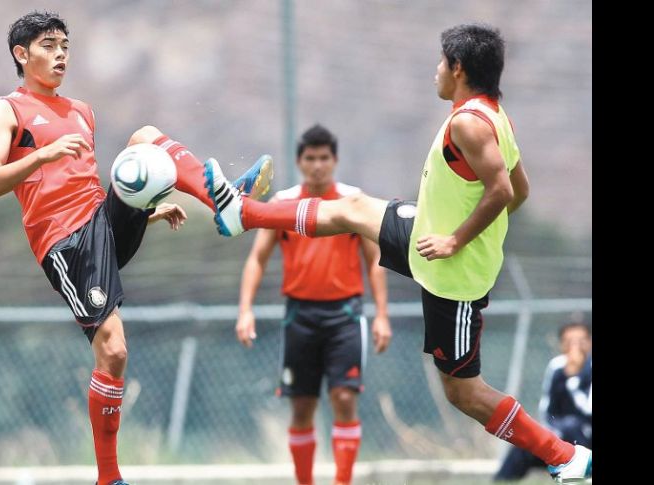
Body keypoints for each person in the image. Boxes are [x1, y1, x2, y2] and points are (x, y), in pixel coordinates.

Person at [200, 23, 591, 483]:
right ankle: (243, 214)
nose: (436, 71)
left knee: (463, 393)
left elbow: (503, 190)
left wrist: (458, 240)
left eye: (442, 62)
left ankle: (564, 455)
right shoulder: (493, 114)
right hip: (429, 236)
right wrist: (469, 228)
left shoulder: (469, 123)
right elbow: (519, 190)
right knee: (351, 207)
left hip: (451, 273)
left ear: (459, 68)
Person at [0, 12, 272, 485]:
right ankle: (109, 478)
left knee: (145, 138)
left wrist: (145, 212)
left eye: (65, 46)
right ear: (21, 53)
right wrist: (42, 154)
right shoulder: (6, 110)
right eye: (48, 45)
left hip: (99, 225)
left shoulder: (82, 111)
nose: (60, 55)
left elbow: (87, 189)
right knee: (113, 352)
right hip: (66, 243)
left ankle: (222, 201)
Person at [235, 124, 391, 485]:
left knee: (344, 398)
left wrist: (382, 314)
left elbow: (375, 260)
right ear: (299, 162)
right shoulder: (283, 204)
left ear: (334, 160)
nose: (318, 165)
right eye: (311, 158)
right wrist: (245, 309)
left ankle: (342, 482)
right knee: (302, 405)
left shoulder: (353, 202)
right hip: (299, 316)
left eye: (324, 158)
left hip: (345, 315)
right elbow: (257, 258)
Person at [494, 322, 592, 481]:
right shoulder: (556, 366)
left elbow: (588, 410)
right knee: (525, 444)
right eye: (569, 342)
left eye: (580, 341)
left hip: (585, 434)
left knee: (572, 425)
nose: (575, 347)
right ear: (562, 345)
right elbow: (547, 407)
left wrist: (573, 380)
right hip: (561, 432)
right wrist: (548, 433)